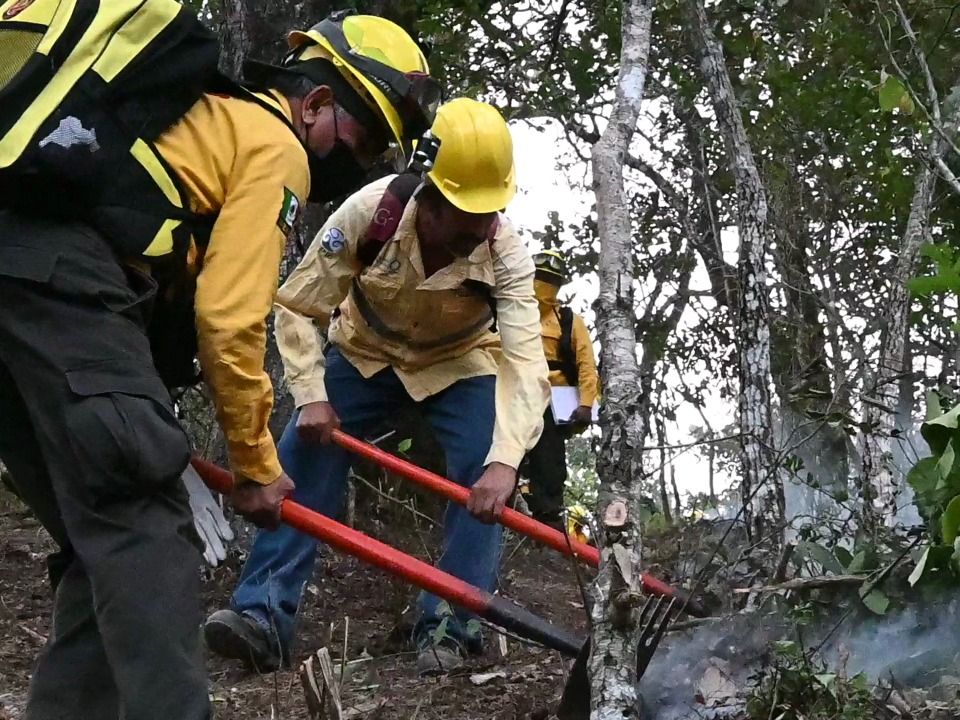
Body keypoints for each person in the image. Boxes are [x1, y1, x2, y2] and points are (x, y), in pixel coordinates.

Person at [0, 9, 434, 719]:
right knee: (145, 526)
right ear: (318, 102)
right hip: (64, 285)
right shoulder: (274, 144)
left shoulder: (202, 117)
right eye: (369, 139)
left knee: (100, 541)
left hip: (21, 284)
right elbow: (230, 323)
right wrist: (258, 468)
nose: (365, 162)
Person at [203, 97, 550, 677]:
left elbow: (525, 365)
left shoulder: (505, 251)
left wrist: (506, 462)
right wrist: (311, 394)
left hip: (458, 363)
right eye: (464, 221)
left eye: (488, 216)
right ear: (429, 198)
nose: (478, 232)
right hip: (363, 352)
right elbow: (296, 305)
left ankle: (451, 621)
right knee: (301, 452)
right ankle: (263, 614)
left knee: (483, 461)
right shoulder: (372, 212)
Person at [522, 250, 600, 527]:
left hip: (552, 401)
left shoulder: (569, 321)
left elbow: (586, 364)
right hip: (513, 392)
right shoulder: (512, 308)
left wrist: (587, 403)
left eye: (550, 280)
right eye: (539, 278)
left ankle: (548, 527)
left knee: (549, 463)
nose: (543, 286)